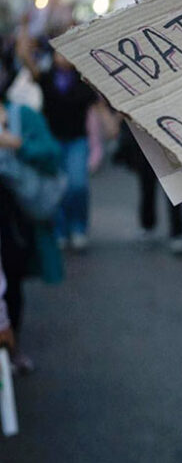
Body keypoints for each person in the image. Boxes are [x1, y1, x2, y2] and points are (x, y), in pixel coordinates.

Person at [16, 28, 98, 251]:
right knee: (58, 186)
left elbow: (97, 105)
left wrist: (111, 123)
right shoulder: (47, 78)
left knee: (78, 185)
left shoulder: (84, 81)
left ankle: (79, 227)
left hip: (77, 141)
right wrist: (26, 29)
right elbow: (26, 59)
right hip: (53, 140)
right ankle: (61, 229)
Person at [0, 97, 65, 375]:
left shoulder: (19, 114)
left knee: (10, 283)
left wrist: (15, 143)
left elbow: (52, 154)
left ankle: (11, 348)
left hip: (12, 226)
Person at [115, 119, 182, 255]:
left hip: (166, 137)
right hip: (146, 136)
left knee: (173, 188)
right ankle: (153, 227)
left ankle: (171, 230)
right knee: (149, 186)